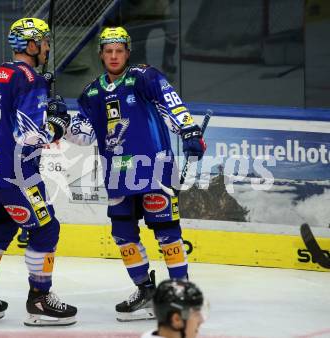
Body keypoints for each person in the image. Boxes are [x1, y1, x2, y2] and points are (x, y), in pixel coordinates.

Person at [64, 27, 206, 321]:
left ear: (127, 53)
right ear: (101, 55)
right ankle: (145, 292)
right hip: (118, 175)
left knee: (167, 234)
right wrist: (60, 119)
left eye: (119, 50)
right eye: (108, 51)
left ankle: (182, 294)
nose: (114, 56)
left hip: (154, 168)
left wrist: (189, 130)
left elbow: (171, 103)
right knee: (122, 234)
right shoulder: (91, 94)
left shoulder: (144, 77)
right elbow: (84, 135)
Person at [0, 17, 76, 327]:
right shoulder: (30, 79)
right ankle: (40, 299)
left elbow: (13, 107)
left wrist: (40, 94)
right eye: (44, 41)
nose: (48, 47)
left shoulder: (2, 72)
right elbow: (29, 136)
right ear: (31, 45)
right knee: (46, 228)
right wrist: (57, 124)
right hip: (15, 173)